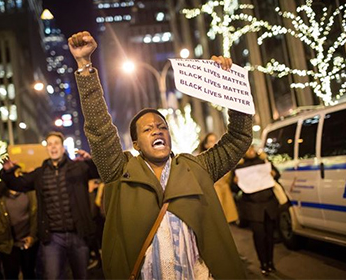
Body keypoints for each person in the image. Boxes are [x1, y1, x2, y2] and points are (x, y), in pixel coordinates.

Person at [68, 31, 252, 279]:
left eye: (162, 126)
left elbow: (238, 139)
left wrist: (232, 87)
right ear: (136, 143)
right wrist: (85, 66)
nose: (157, 130)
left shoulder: (196, 168)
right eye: (148, 128)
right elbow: (100, 130)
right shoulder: (119, 171)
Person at [0, 132, 100, 279]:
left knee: (81, 276)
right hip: (52, 238)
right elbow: (17, 183)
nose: (53, 147)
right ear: (47, 149)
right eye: (50, 144)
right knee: (52, 276)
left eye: (56, 143)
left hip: (78, 234)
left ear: (63, 147)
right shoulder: (40, 173)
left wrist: (90, 161)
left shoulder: (78, 168)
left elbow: (99, 173)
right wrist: (8, 172)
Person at [231, 145, 280, 276]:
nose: (250, 151)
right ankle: (263, 263)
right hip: (253, 207)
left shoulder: (264, 161)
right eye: (247, 149)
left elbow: (277, 175)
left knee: (270, 236)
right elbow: (234, 189)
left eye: (252, 149)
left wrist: (274, 174)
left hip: (269, 204)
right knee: (259, 236)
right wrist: (235, 182)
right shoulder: (240, 167)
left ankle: (270, 262)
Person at [0, 182, 38, 279]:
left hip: (29, 242)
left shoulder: (29, 191)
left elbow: (35, 215)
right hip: (8, 244)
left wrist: (33, 235)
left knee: (30, 273)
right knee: (11, 274)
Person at [199, 132, 239, 224]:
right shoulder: (203, 161)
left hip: (226, 193)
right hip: (213, 196)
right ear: (206, 145)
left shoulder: (223, 158)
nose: (214, 143)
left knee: (228, 224)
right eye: (211, 141)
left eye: (215, 140)